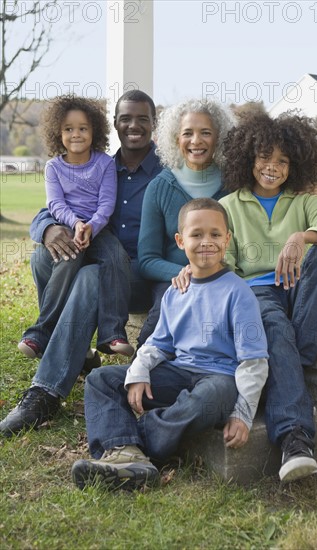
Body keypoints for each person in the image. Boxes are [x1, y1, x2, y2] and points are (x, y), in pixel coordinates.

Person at [174, 111, 317, 483]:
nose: (273, 167)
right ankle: (295, 439)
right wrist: (193, 269)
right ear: (249, 158)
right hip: (257, 292)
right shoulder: (230, 206)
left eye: (283, 161)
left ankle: (292, 354)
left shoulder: (302, 202)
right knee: (273, 324)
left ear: (295, 165)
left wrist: (301, 237)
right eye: (265, 157)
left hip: (298, 287)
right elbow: (227, 264)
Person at [71, 198, 269, 491]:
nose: (207, 242)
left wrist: (242, 413)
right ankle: (129, 459)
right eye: (197, 234)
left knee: (210, 397)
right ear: (180, 241)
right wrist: (138, 371)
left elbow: (254, 361)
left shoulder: (238, 293)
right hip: (178, 373)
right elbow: (158, 344)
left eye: (215, 234)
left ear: (227, 239)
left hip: (220, 379)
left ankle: (128, 446)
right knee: (101, 379)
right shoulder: (176, 292)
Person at [0, 90, 162, 437]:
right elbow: (50, 207)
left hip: (134, 276)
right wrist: (45, 229)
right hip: (85, 249)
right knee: (44, 255)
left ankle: (44, 391)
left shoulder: (164, 176)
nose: (133, 125)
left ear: (154, 124)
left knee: (89, 275)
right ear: (115, 125)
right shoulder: (100, 164)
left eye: (142, 119)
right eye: (125, 118)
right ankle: (78, 353)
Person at [18, 95, 135, 360]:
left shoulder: (105, 163)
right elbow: (55, 204)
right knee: (67, 258)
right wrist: (76, 224)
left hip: (99, 229)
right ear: (57, 133)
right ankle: (40, 333)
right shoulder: (54, 168)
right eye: (68, 129)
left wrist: (91, 225)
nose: (76, 134)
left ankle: (112, 333)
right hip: (67, 227)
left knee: (116, 258)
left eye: (83, 128)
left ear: (94, 130)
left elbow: (107, 203)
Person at [136, 98, 236, 346]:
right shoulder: (159, 187)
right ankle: (136, 378)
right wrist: (185, 273)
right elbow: (147, 260)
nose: (196, 141)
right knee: (161, 319)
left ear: (219, 137)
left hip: (223, 279)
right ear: (175, 139)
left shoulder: (235, 184)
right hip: (177, 280)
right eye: (187, 133)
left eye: (206, 133)